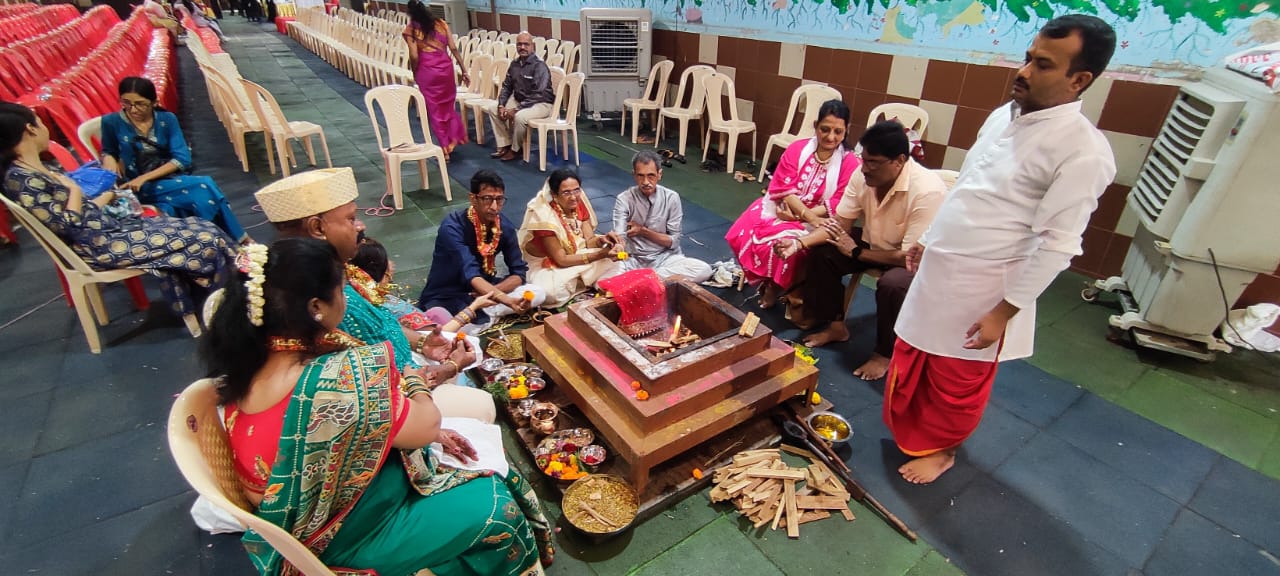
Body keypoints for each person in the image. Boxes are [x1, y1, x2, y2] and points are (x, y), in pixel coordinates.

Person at [202, 237, 554, 576]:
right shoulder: (337, 379)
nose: (347, 300)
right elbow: (426, 426)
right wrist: (413, 380)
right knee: (495, 503)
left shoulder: (248, 364)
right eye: (342, 291)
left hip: (300, 529)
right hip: (342, 534)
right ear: (316, 308)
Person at [886, 14, 1117, 484]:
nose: (1024, 71)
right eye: (1027, 58)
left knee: (956, 376)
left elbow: (1058, 247)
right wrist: (930, 238)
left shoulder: (1083, 153)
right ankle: (915, 434)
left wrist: (1003, 312)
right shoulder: (1003, 116)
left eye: (1043, 65)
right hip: (942, 270)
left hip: (987, 287)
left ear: (1079, 80)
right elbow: (968, 187)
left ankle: (943, 451)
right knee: (916, 353)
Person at [255, 168, 495, 423]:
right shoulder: (318, 305)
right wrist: (449, 368)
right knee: (483, 406)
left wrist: (422, 343)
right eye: (351, 219)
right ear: (317, 228)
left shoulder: (338, 272)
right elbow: (372, 395)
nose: (361, 225)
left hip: (405, 370)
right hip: (392, 401)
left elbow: (379, 323)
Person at [0, 102, 236, 326]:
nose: (45, 128)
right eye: (40, 122)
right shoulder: (23, 181)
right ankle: (229, 306)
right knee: (205, 239)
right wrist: (75, 191)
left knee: (201, 225)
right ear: (30, 129)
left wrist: (108, 197)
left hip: (110, 229)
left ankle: (226, 297)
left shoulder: (35, 169)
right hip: (101, 246)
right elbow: (67, 225)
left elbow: (80, 212)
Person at [787, 120, 947, 380]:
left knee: (892, 284)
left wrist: (856, 253)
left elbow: (908, 256)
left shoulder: (927, 191)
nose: (864, 168)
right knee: (823, 252)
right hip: (874, 244)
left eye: (873, 163)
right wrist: (799, 243)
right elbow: (840, 225)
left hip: (915, 260)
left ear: (899, 161)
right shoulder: (862, 176)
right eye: (864, 159)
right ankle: (836, 326)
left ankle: (884, 353)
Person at [725, 99, 858, 309]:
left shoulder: (850, 163)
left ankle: (773, 287)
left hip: (821, 219)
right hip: (782, 206)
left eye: (838, 132)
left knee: (784, 245)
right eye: (825, 129)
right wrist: (802, 214)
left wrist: (805, 218)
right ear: (815, 125)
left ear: (846, 130)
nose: (831, 137)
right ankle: (766, 281)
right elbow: (784, 188)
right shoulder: (797, 149)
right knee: (745, 229)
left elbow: (839, 201)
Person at [100, 77, 249, 244]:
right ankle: (238, 240)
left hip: (166, 178)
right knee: (204, 185)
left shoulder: (167, 119)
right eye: (126, 103)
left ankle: (217, 241)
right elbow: (108, 150)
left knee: (201, 194)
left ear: (154, 102)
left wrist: (145, 177)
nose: (133, 109)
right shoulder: (111, 122)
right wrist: (109, 158)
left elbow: (182, 158)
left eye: (140, 104)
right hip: (136, 186)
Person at [418, 170, 547, 328]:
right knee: (440, 320)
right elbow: (469, 272)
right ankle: (484, 315)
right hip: (448, 293)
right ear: (473, 198)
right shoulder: (452, 227)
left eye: (499, 199)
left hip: (485, 289)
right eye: (487, 199)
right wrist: (506, 300)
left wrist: (492, 293)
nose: (494, 207)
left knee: (538, 292)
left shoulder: (504, 226)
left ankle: (482, 313)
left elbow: (519, 272)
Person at [518, 167, 625, 306]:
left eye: (576, 190)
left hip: (576, 254)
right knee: (550, 292)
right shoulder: (544, 217)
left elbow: (589, 241)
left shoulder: (579, 204)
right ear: (554, 195)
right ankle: (593, 282)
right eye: (566, 192)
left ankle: (589, 282)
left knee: (616, 262)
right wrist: (601, 254)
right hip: (549, 264)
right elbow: (561, 260)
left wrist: (603, 240)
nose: (574, 197)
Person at [612, 150, 713, 282]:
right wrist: (618, 246)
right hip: (633, 260)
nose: (646, 182)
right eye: (640, 176)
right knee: (601, 277)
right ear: (634, 175)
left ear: (659, 174)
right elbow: (620, 235)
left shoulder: (671, 198)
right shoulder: (624, 199)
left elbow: (674, 241)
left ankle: (640, 281)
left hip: (665, 259)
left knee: (704, 270)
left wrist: (643, 231)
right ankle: (649, 281)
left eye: (651, 176)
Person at [403, 0, 469, 159]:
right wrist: (464, 70)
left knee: (435, 110)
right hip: (446, 70)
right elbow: (453, 48)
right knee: (448, 106)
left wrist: (415, 71)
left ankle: (445, 149)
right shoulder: (441, 24)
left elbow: (414, 55)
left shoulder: (411, 29)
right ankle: (453, 139)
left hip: (427, 72)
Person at [484, 32, 554, 162]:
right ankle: (505, 144)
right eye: (519, 44)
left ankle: (515, 149)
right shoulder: (514, 64)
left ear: (533, 46)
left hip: (541, 103)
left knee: (520, 117)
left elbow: (538, 93)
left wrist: (517, 109)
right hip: (520, 100)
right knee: (493, 109)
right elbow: (506, 87)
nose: (522, 47)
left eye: (526, 44)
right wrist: (501, 105)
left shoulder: (539, 66)